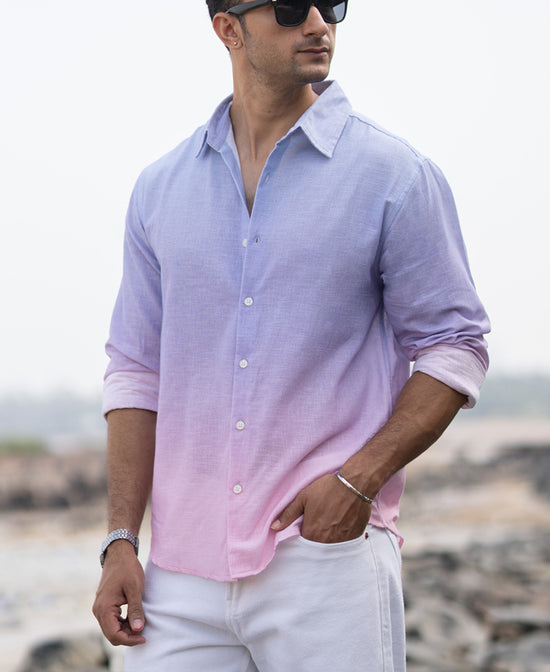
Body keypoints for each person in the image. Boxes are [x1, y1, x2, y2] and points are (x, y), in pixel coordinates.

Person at [92, 1, 490, 670]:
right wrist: (121, 540)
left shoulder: (393, 175)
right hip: (179, 574)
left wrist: (358, 481)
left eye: (329, 3)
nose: (316, 22)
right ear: (227, 28)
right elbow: (136, 370)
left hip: (324, 555)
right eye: (286, 6)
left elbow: (456, 345)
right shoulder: (160, 189)